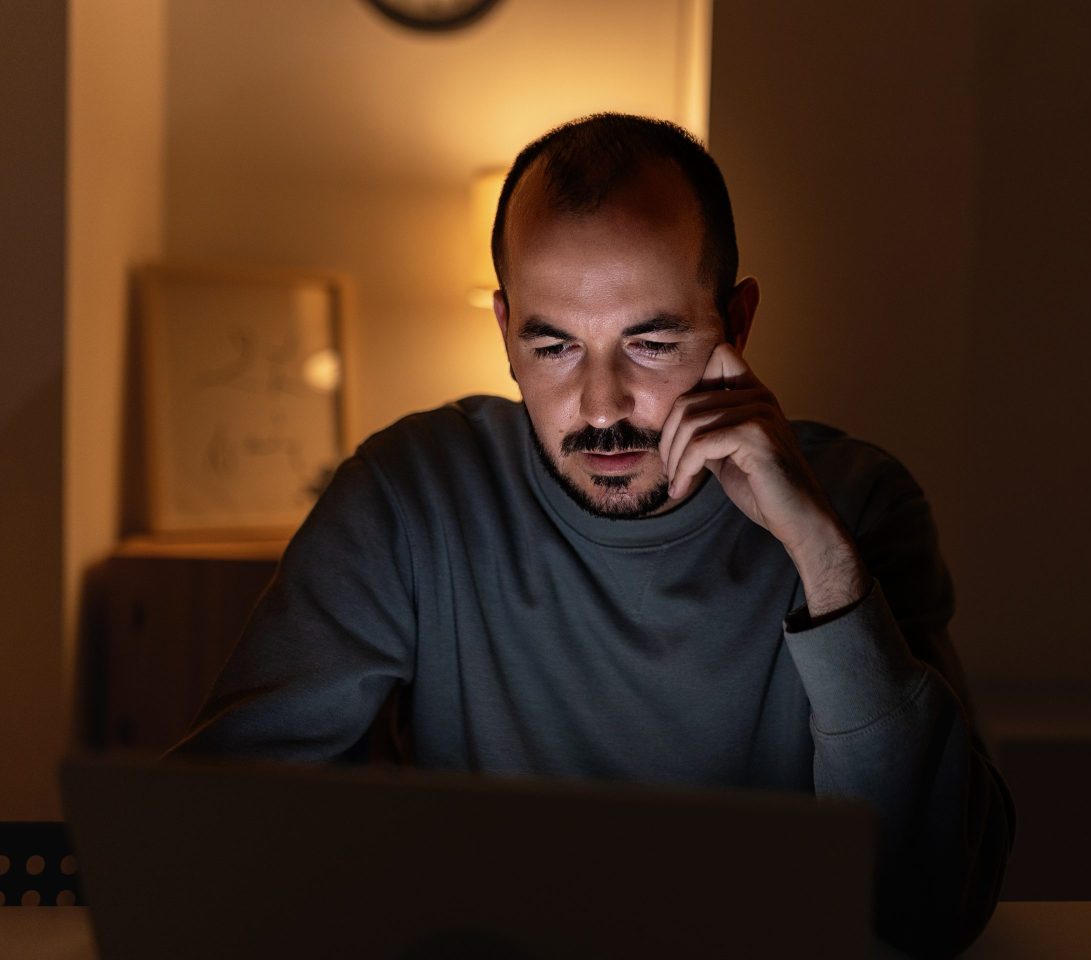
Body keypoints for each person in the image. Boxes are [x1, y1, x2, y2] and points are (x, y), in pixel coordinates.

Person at [172, 113, 1014, 958]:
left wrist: (825, 563)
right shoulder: (409, 494)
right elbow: (212, 833)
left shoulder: (859, 505)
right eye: (555, 348)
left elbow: (932, 906)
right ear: (505, 333)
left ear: (737, 324)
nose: (603, 407)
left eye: (650, 343)